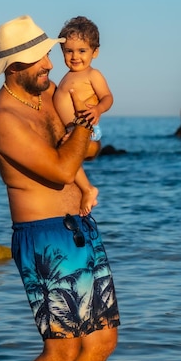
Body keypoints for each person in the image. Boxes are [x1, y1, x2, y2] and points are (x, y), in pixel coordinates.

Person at [0, 15, 120, 361]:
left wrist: (86, 126)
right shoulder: (4, 118)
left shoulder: (47, 93)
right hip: (44, 239)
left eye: (47, 53)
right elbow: (62, 168)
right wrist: (83, 120)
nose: (50, 64)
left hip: (80, 228)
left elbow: (87, 149)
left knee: (102, 343)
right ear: (14, 68)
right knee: (61, 352)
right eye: (40, 59)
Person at [54, 16, 114, 216]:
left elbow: (107, 97)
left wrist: (97, 110)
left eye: (82, 51)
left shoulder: (92, 74)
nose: (74, 56)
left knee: (67, 156)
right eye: (68, 51)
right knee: (67, 160)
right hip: (72, 128)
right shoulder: (67, 76)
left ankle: (88, 189)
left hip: (85, 127)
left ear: (94, 52)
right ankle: (82, 191)